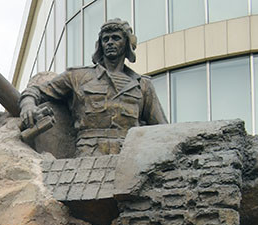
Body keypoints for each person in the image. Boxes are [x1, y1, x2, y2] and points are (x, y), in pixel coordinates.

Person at [19, 19, 166, 156]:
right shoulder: (77, 76)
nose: (110, 42)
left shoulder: (143, 85)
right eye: (105, 39)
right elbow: (36, 91)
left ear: (127, 43)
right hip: (89, 153)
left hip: (129, 154)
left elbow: (162, 130)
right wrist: (28, 105)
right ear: (100, 45)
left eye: (116, 38)